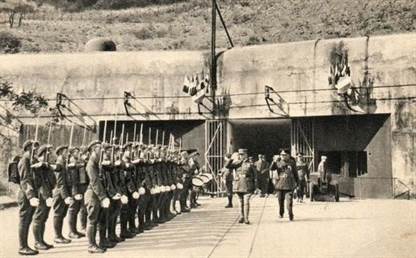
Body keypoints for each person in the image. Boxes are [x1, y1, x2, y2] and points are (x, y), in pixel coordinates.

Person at [85, 140, 110, 253]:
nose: (102, 151)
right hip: (93, 195)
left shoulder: (97, 164)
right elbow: (95, 182)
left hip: (99, 195)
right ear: (93, 150)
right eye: (99, 149)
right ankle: (91, 245)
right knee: (92, 220)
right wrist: (103, 197)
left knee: (101, 219)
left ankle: (101, 241)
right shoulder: (91, 164)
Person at [17, 140, 40, 255]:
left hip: (30, 194)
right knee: (24, 221)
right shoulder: (24, 160)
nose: (36, 149)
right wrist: (31, 196)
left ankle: (25, 245)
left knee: (28, 220)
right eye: (33, 147)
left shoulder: (31, 160)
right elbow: (25, 180)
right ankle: (23, 247)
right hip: (25, 194)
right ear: (28, 148)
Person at [32, 144, 55, 251]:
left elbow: (51, 180)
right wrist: (46, 197)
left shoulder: (46, 165)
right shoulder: (37, 165)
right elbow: (40, 183)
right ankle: (37, 242)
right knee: (38, 218)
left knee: (44, 218)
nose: (50, 155)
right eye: (48, 153)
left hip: (48, 193)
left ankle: (41, 240)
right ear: (43, 154)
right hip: (41, 195)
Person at [226, 149, 257, 224]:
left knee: (246, 202)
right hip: (238, 184)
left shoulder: (250, 164)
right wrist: (231, 158)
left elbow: (255, 176)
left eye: (242, 154)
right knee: (240, 202)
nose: (241, 156)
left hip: (247, 185)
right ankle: (241, 216)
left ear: (246, 155)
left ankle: (246, 218)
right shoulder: (237, 163)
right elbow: (227, 166)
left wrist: (256, 187)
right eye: (239, 154)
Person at [52, 145, 74, 244]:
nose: (67, 153)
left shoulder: (64, 163)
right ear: (60, 153)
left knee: (62, 214)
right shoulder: (59, 164)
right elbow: (60, 182)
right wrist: (65, 196)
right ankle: (57, 236)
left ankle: (60, 235)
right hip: (60, 192)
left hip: (63, 191)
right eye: (65, 151)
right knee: (58, 214)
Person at [273, 149, 299, 221]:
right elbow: (271, 168)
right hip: (280, 185)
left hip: (289, 185)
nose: (283, 156)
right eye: (281, 155)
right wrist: (274, 161)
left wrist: (297, 184)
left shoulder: (292, 163)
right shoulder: (278, 162)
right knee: (280, 201)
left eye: (284, 155)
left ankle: (290, 213)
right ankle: (281, 213)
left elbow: (295, 173)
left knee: (289, 201)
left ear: (288, 155)